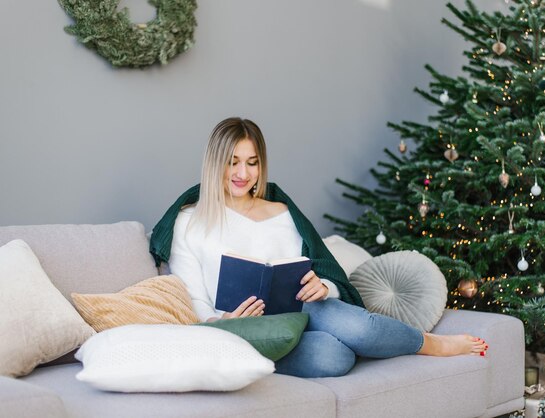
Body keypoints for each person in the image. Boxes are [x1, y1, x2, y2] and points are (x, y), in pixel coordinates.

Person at [149, 117, 488, 378]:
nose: (243, 173)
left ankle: (432, 344)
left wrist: (323, 285)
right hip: (243, 328)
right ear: (215, 162)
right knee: (334, 357)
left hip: (304, 310)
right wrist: (220, 319)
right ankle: (377, 344)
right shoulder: (188, 222)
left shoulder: (282, 212)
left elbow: (317, 267)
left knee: (359, 326)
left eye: (252, 162)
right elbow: (191, 296)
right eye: (232, 161)